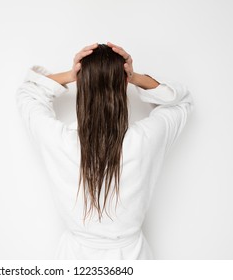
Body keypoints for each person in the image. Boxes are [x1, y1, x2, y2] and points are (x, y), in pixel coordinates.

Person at [16, 42, 194, 259]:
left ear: (82, 85)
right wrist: (135, 77)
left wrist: (72, 74)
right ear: (123, 85)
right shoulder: (145, 139)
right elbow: (180, 101)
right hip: (133, 258)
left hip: (74, 258)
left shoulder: (59, 141)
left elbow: (28, 92)